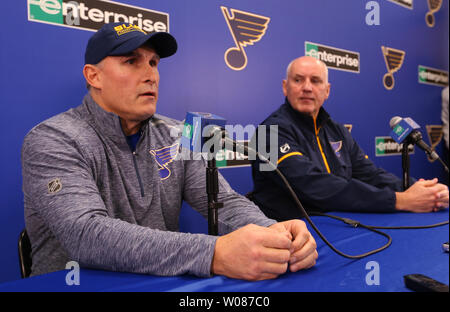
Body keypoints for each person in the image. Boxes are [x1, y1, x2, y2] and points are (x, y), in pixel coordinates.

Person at [21, 23, 317, 281]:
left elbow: (222, 202)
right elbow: (85, 235)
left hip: (160, 283)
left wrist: (274, 234)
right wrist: (214, 253)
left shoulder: (179, 133)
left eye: (153, 63)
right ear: (94, 76)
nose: (150, 75)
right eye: (131, 61)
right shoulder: (52, 138)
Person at [251, 56, 449, 221]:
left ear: (327, 90)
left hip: (340, 227)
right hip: (292, 237)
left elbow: (370, 174)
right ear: (285, 87)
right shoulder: (267, 133)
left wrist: (420, 190)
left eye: (316, 81)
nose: (307, 87)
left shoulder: (336, 130)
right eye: (298, 80)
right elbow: (312, 186)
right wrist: (399, 200)